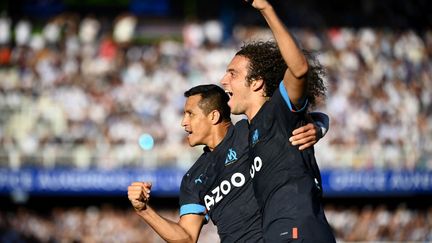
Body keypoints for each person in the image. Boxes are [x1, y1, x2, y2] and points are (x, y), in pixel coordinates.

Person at [128, 85, 329, 242]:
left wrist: (318, 126)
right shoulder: (192, 178)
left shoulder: (248, 131)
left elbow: (293, 114)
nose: (183, 123)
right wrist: (143, 209)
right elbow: (186, 237)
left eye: (190, 114)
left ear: (213, 116)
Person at [220, 0, 336, 242]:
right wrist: (320, 124)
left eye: (233, 73)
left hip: (297, 229)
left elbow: (299, 70)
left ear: (257, 83)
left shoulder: (277, 110)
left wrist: (265, 9)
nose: (223, 80)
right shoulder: (251, 130)